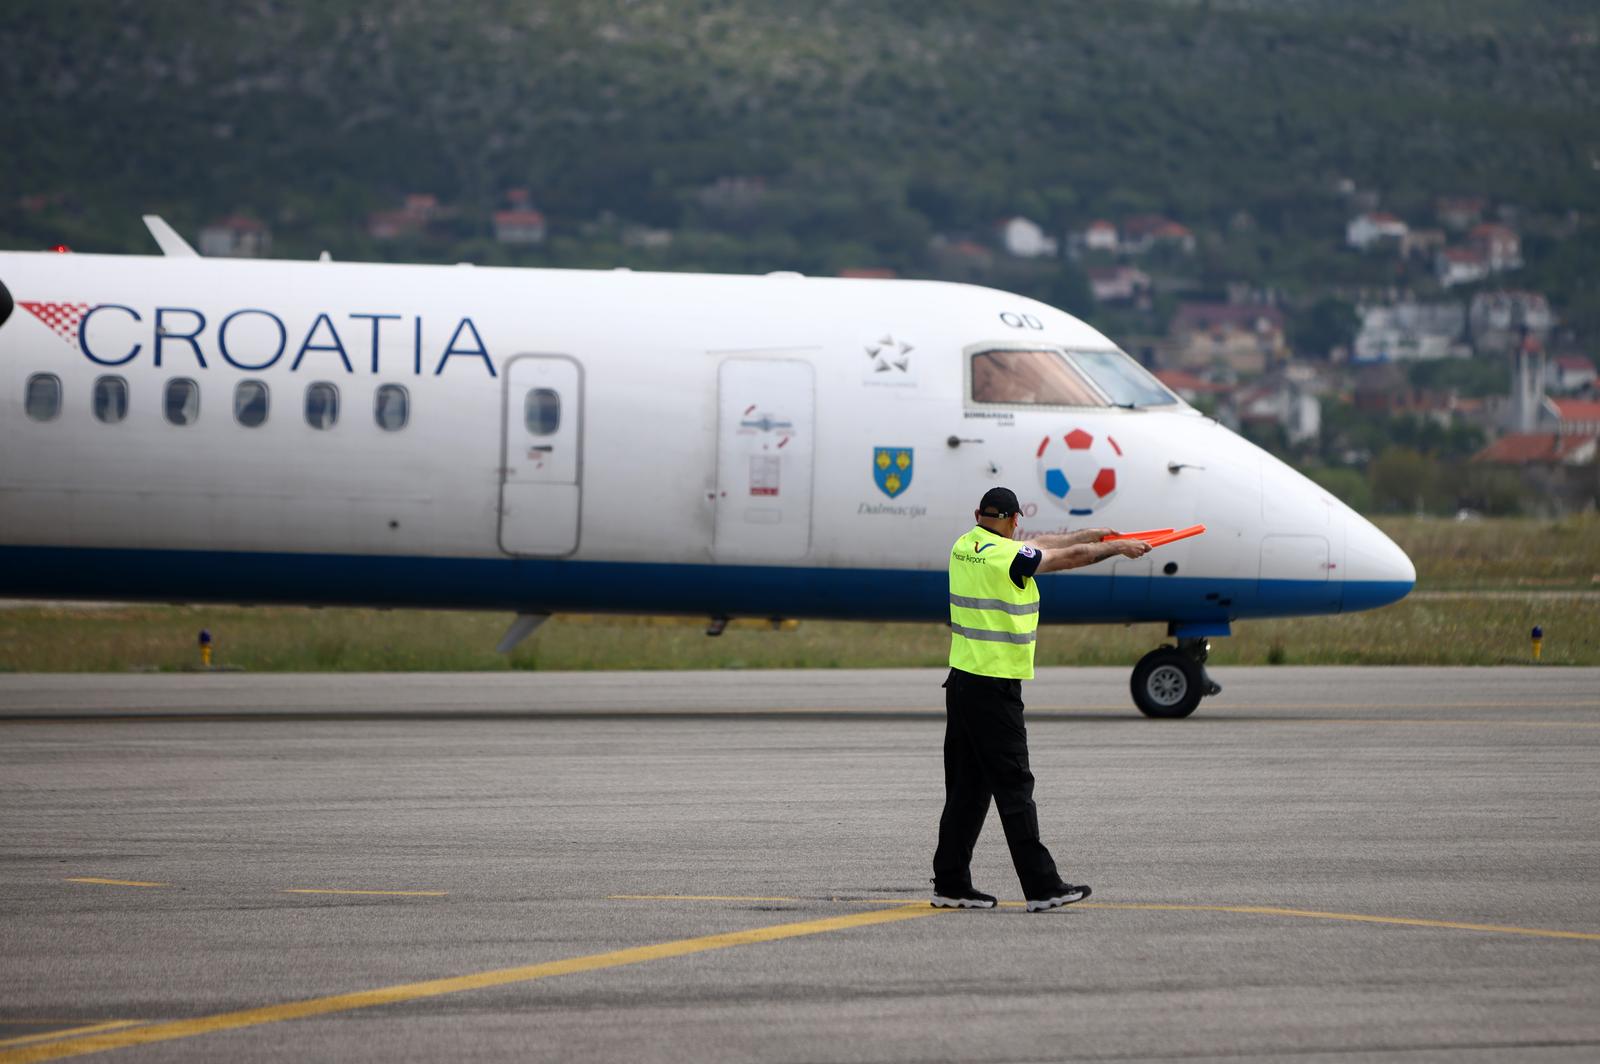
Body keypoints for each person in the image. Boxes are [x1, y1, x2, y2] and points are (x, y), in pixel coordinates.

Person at [933, 486, 1151, 912]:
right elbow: (1059, 558)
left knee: (967, 791)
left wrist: (1086, 534)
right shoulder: (1008, 556)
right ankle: (1042, 886)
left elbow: (1042, 547)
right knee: (1015, 787)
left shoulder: (965, 545)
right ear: (1016, 520)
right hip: (994, 689)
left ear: (979, 514)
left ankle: (951, 884)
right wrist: (1116, 549)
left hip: (962, 684)